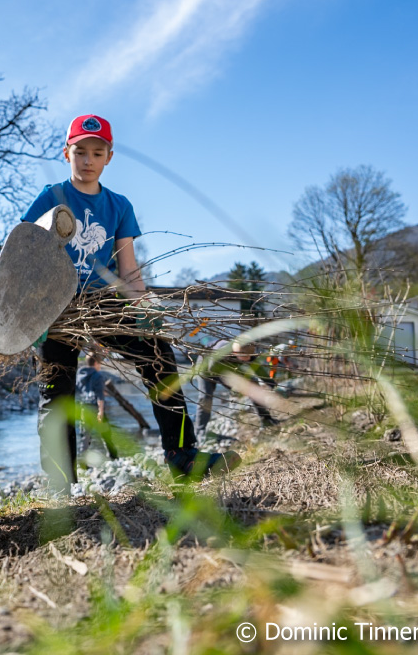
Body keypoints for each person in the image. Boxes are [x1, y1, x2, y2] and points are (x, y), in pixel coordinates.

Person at [21, 114, 239, 493]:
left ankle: (183, 456)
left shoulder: (119, 205)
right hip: (57, 304)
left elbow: (128, 270)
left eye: (97, 152)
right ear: (66, 153)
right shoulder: (50, 198)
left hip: (102, 302)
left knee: (159, 357)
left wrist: (146, 309)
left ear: (109, 157)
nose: (87, 160)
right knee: (58, 389)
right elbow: (24, 253)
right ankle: (60, 487)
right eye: (80, 152)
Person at [195, 339, 280, 443]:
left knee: (253, 385)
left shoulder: (247, 348)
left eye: (249, 358)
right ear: (235, 353)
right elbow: (214, 370)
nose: (247, 360)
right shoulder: (221, 352)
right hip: (206, 366)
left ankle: (266, 419)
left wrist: (272, 384)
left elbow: (257, 369)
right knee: (206, 397)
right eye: (244, 358)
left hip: (229, 366)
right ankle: (200, 432)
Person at [75, 353, 117, 459]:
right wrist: (101, 411)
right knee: (106, 432)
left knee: (85, 436)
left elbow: (79, 392)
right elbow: (100, 396)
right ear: (95, 363)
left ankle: (83, 461)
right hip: (95, 408)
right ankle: (113, 456)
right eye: (100, 364)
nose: (100, 366)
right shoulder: (98, 375)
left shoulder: (79, 375)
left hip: (83, 408)